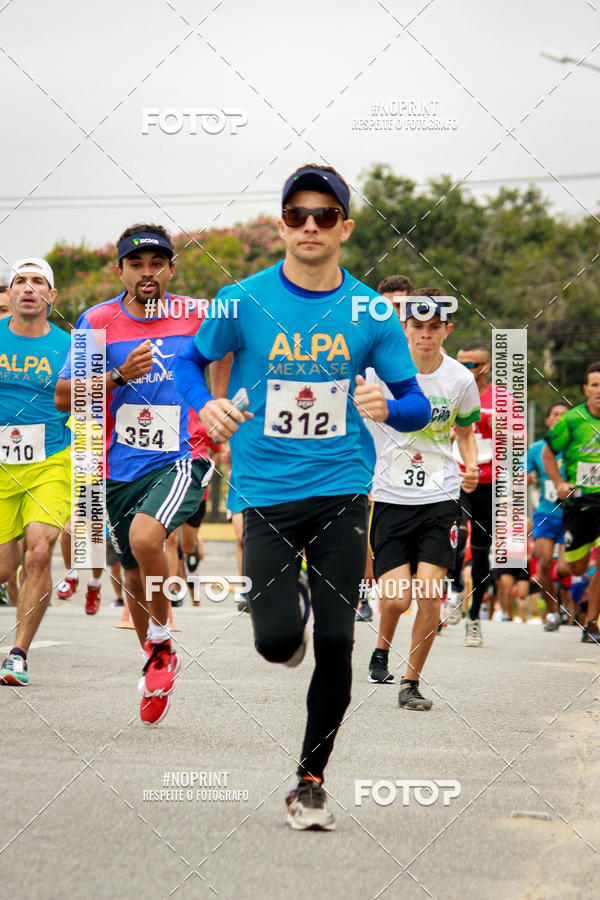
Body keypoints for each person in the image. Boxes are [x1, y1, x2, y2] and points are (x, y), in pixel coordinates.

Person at [174, 164, 430, 830]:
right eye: (297, 215)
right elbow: (187, 362)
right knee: (277, 640)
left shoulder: (373, 311)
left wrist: (390, 407)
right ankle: (286, 635)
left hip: (342, 489)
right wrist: (205, 407)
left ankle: (310, 781)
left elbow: (416, 402)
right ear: (283, 225)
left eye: (324, 215)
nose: (310, 225)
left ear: (345, 227)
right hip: (264, 494)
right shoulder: (239, 300)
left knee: (338, 639)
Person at [54, 224, 213, 721]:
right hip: (118, 465)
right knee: (131, 577)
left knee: (147, 539)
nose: (148, 272)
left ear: (171, 268)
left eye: (157, 263)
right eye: (136, 264)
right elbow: (64, 396)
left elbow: (239, 348)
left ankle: (162, 642)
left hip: (183, 454)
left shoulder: (197, 315)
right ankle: (155, 663)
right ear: (120, 270)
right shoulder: (97, 321)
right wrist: (119, 375)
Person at [366, 294, 479, 708]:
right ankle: (381, 649)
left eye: (434, 327)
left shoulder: (460, 379)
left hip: (440, 497)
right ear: (406, 329)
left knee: (430, 595)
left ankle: (410, 682)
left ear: (447, 330)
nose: (426, 334)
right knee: (397, 599)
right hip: (391, 497)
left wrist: (471, 465)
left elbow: (465, 432)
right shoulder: (380, 373)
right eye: (418, 326)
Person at [0, 258, 71, 685]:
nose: (28, 287)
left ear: (51, 295)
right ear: (9, 294)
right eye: (20, 281)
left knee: (40, 551)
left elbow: (89, 401)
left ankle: (18, 654)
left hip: (50, 461)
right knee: (3, 569)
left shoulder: (72, 346)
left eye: (38, 281)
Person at [355, 274, 415, 624]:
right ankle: (362, 597)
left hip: (415, 463)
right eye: (387, 307)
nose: (394, 314)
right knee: (364, 534)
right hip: (370, 460)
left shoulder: (429, 355)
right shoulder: (366, 353)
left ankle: (429, 597)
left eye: (401, 307)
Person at [542, 363, 600, 644]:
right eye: (595, 385)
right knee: (574, 568)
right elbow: (548, 453)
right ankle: (573, 557)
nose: (599, 391)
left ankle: (591, 623)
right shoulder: (572, 420)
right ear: (586, 389)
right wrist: (559, 484)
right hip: (578, 503)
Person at [527, 402, 570, 630]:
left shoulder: (576, 445)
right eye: (555, 414)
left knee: (564, 569)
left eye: (564, 415)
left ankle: (564, 605)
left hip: (572, 514)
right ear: (547, 420)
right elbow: (521, 473)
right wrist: (525, 479)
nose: (559, 418)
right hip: (545, 513)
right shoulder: (537, 448)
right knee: (543, 564)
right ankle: (553, 611)